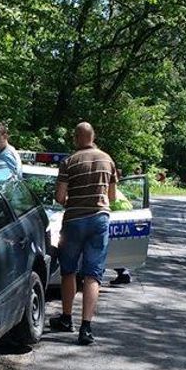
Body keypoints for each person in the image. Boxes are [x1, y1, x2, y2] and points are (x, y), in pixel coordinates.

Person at [49, 122, 116, 346]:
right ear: (93, 136)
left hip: (74, 221)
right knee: (93, 274)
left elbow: (60, 198)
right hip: (99, 220)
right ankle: (86, 328)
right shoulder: (108, 160)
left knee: (68, 270)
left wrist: (74, 202)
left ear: (77, 137)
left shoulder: (69, 162)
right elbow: (112, 197)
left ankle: (66, 318)